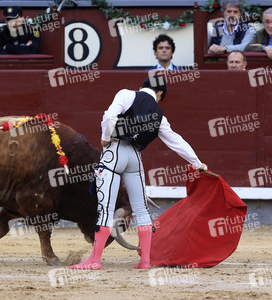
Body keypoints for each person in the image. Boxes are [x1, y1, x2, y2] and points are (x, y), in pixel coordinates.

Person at [71, 77, 207, 270]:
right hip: (135, 158)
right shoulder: (160, 116)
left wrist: (104, 138)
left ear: (141, 87)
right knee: (142, 211)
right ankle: (145, 261)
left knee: (106, 210)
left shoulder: (127, 94)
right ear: (160, 93)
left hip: (114, 153)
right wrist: (198, 163)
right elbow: (177, 142)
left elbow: (109, 117)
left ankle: (94, 260)